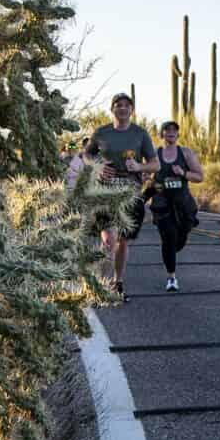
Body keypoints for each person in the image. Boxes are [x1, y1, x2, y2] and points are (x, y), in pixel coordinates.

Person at [87, 94, 156, 300]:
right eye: (118, 105)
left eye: (127, 105)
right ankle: (101, 287)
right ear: (112, 109)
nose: (122, 108)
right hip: (105, 191)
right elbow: (87, 154)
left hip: (130, 190)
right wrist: (97, 167)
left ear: (132, 110)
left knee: (123, 242)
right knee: (109, 240)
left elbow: (155, 164)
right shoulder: (102, 132)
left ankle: (118, 283)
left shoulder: (140, 134)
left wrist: (139, 166)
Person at [144, 120, 205, 291]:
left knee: (180, 237)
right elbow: (147, 176)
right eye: (167, 130)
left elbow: (200, 177)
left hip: (183, 202)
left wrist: (183, 173)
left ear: (178, 134)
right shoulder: (155, 154)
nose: (170, 133)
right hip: (162, 203)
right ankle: (172, 278)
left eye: (174, 130)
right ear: (162, 134)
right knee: (168, 238)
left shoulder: (185, 153)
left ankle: (175, 245)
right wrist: (147, 179)